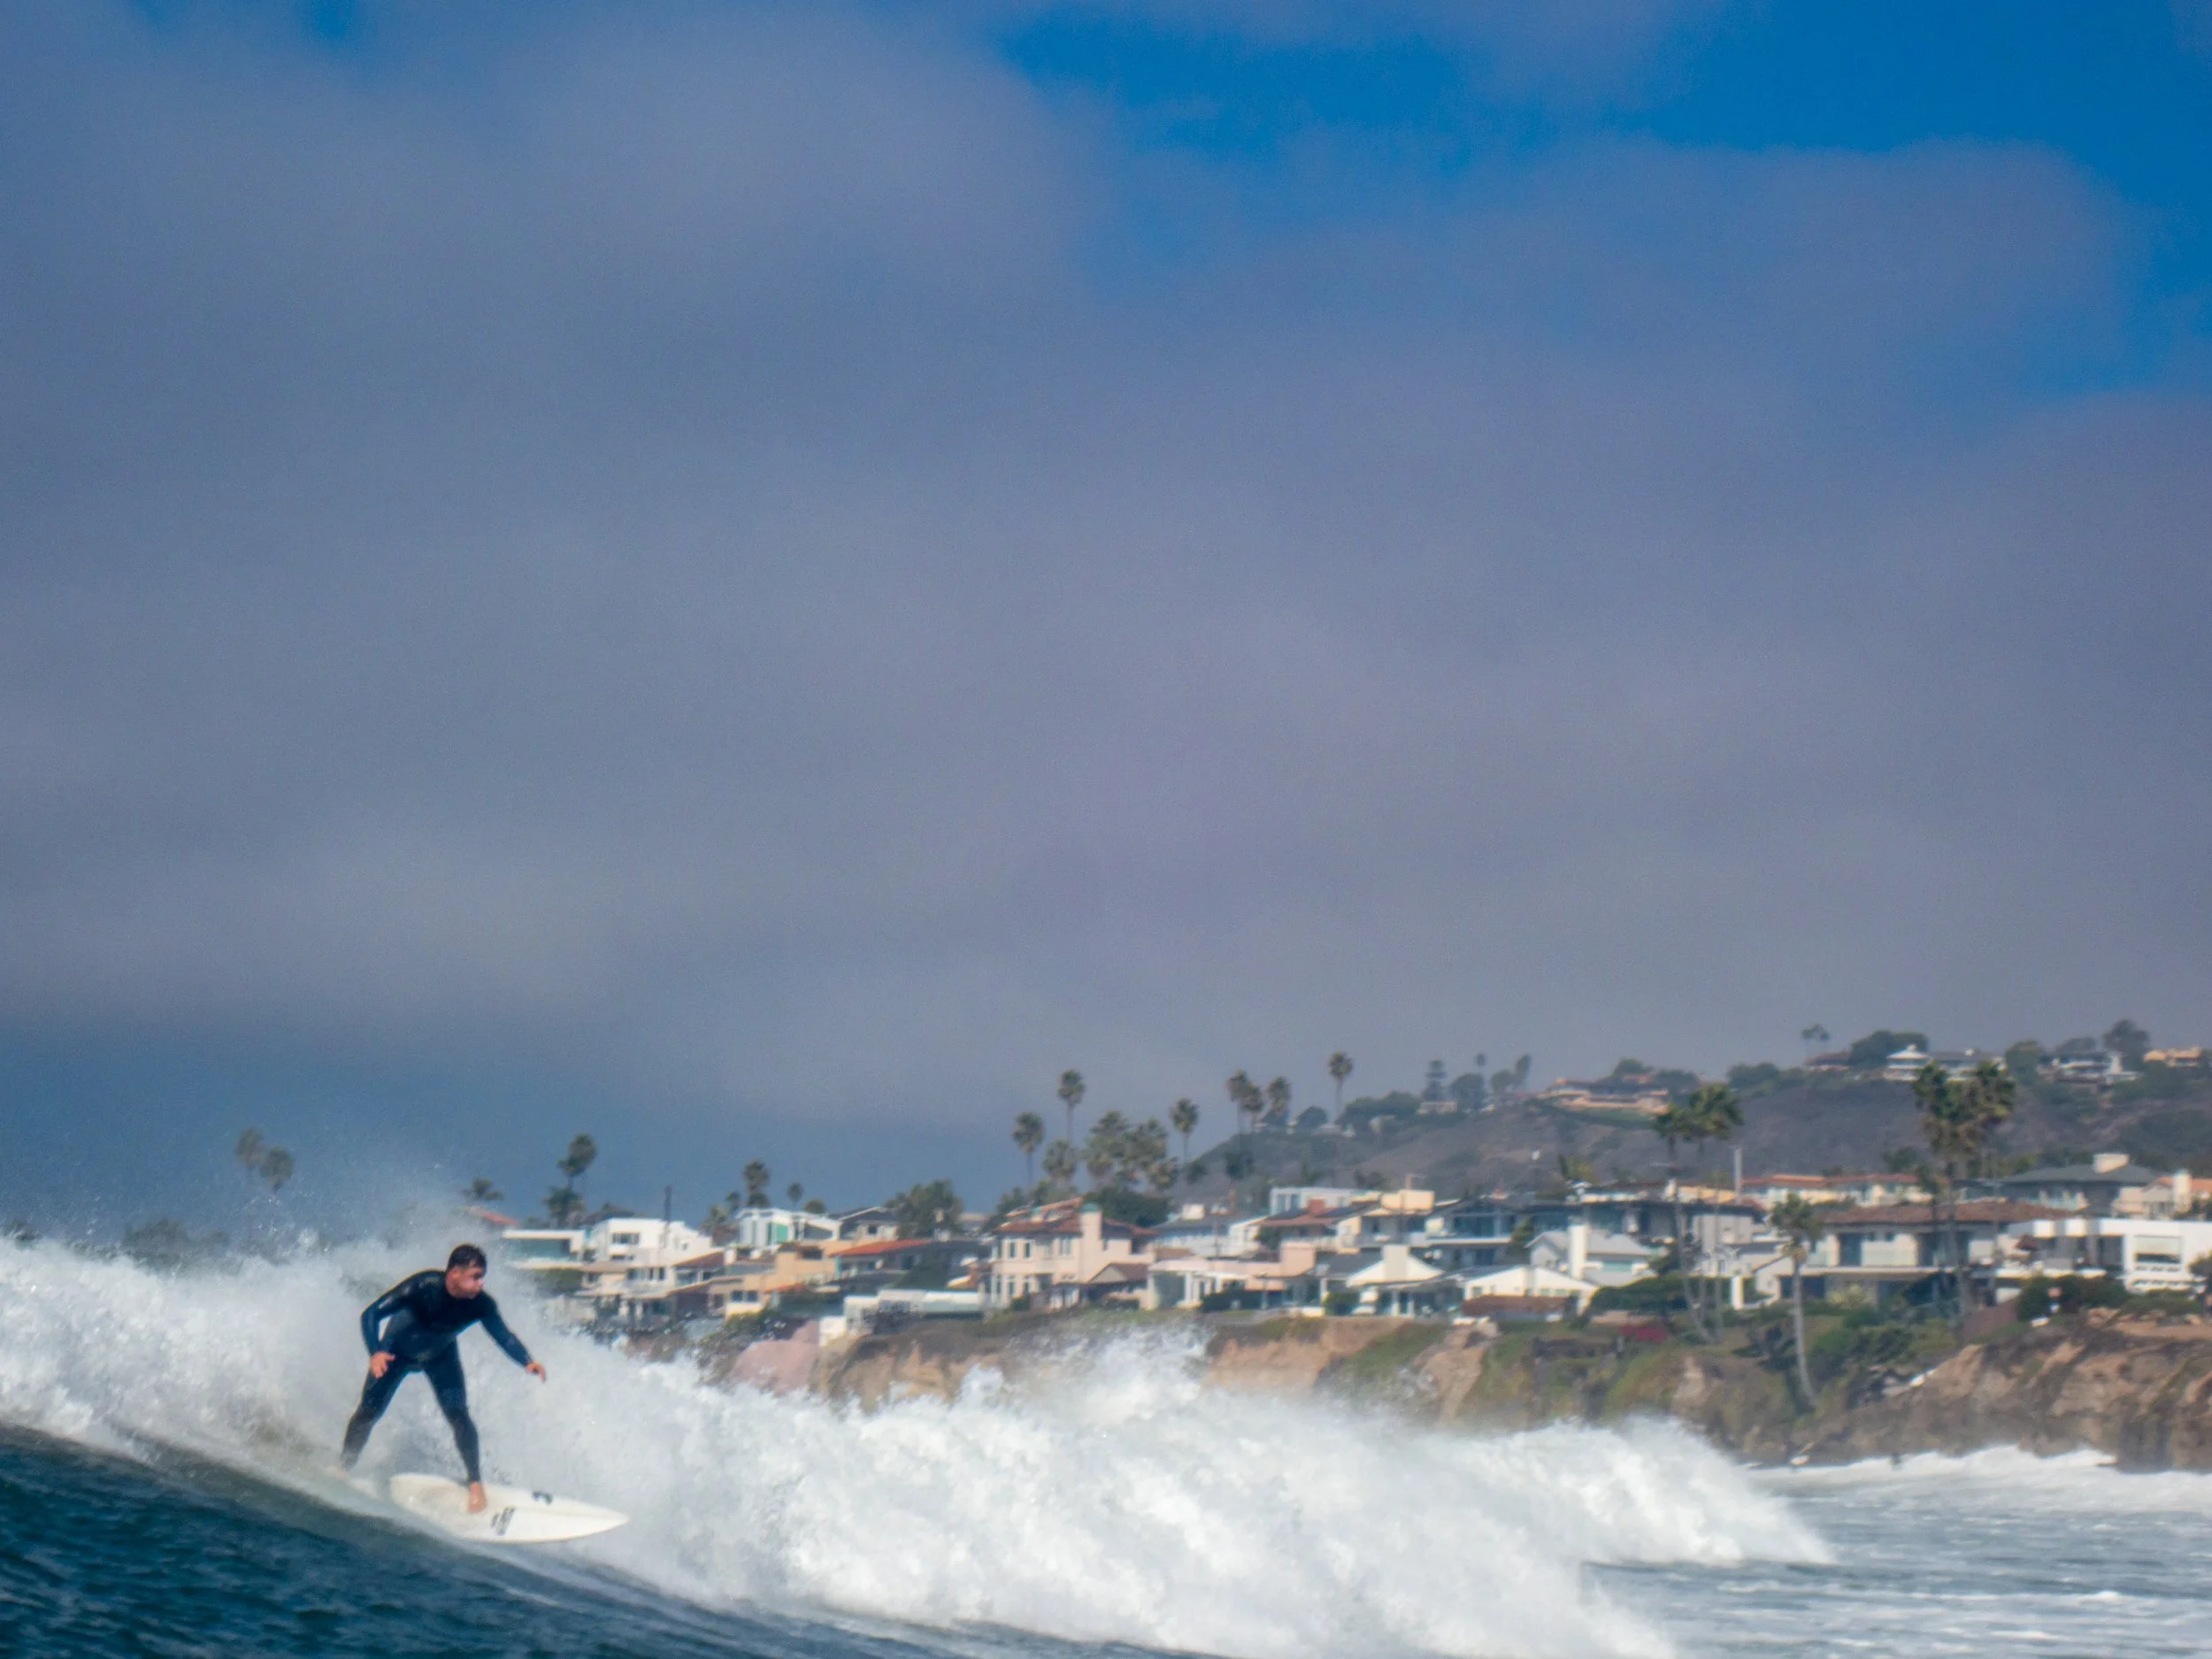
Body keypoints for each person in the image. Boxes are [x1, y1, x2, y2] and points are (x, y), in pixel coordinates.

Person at [341, 1242, 547, 1512]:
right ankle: (345, 1466)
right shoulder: (422, 1287)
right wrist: (376, 1352)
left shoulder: (480, 1304)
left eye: (482, 1277)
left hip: (440, 1356)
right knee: (369, 1411)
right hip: (395, 1353)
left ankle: (475, 1484)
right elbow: (371, 1313)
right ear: (454, 1274)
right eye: (475, 1277)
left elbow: (503, 1336)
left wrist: (527, 1361)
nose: (480, 1284)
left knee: (459, 1415)